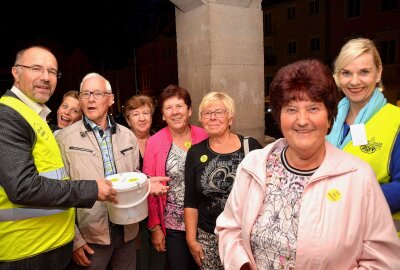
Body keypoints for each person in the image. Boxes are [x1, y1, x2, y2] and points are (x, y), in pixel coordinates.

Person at [215, 59, 400, 269]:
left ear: (330, 118)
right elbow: (229, 228)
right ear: (279, 117)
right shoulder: (254, 166)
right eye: (291, 110)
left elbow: (383, 261)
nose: (302, 120)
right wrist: (243, 265)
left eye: (313, 108)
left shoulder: (358, 176)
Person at [0, 46, 117, 269]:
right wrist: (91, 190)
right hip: (27, 251)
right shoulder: (8, 115)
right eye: (36, 68)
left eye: (52, 72)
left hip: (48, 246)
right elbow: (22, 187)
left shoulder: (34, 116)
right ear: (15, 72)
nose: (45, 77)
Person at [56, 73, 170, 270]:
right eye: (85, 94)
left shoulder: (127, 136)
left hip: (127, 231)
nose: (90, 99)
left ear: (110, 99)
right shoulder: (65, 139)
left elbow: (133, 177)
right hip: (90, 236)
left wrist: (146, 184)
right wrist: (74, 240)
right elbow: (59, 191)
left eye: (97, 93)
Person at [326, 37, 400, 233]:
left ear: (378, 73)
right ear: (337, 77)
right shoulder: (329, 119)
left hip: (380, 243)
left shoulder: (396, 121)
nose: (355, 81)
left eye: (364, 72)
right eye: (346, 73)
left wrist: (351, 197)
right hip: (333, 236)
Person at [184, 92, 262, 269]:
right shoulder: (195, 153)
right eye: (206, 113)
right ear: (201, 119)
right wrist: (191, 239)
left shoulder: (250, 147)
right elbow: (190, 200)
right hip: (208, 238)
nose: (212, 117)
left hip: (244, 237)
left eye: (219, 112)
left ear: (230, 118)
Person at [143, 85, 208, 270]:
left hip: (204, 222)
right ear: (163, 115)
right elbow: (150, 187)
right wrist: (155, 227)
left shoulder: (204, 135)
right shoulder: (154, 142)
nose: (175, 112)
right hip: (173, 225)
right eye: (168, 108)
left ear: (189, 110)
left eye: (179, 106)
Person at [123, 94, 166, 270]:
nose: (142, 118)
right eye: (135, 114)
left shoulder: (161, 140)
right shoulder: (121, 144)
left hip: (160, 210)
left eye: (146, 113)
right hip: (133, 215)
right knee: (139, 261)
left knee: (160, 259)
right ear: (128, 120)